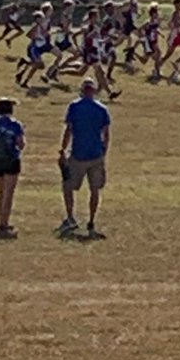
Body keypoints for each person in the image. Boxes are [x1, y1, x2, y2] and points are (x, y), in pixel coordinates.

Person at [58, 76, 111, 239]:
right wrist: (104, 152)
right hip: (95, 154)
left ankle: (70, 217)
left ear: (82, 90)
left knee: (68, 186)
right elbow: (106, 134)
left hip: (78, 154)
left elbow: (69, 129)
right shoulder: (102, 109)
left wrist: (62, 149)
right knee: (95, 189)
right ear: (94, 91)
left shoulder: (74, 106)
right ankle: (92, 220)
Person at [0, 97, 25, 238]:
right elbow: (20, 144)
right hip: (11, 160)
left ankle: (2, 221)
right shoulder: (16, 125)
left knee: (2, 192)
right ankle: (3, 226)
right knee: (8, 194)